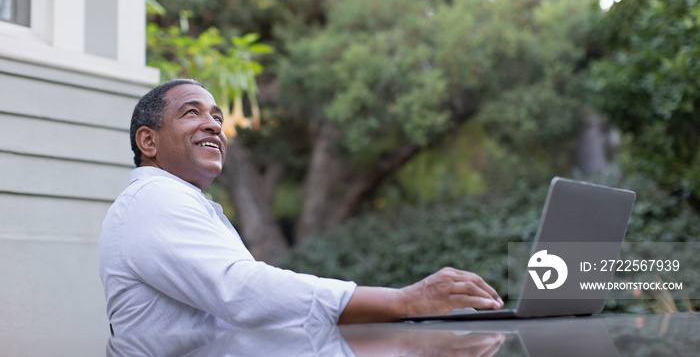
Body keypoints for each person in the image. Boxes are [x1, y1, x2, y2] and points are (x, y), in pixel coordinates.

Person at [99, 79, 503, 335]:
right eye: (192, 112)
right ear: (148, 142)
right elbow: (242, 292)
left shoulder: (181, 202)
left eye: (217, 118)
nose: (214, 126)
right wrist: (402, 302)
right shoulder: (154, 199)